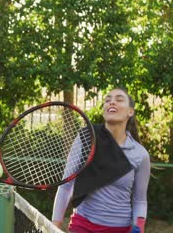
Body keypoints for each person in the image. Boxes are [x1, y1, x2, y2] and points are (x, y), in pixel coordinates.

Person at [52, 88, 151, 233]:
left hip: (119, 229)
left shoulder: (140, 155)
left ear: (130, 111)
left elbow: (139, 200)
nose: (112, 102)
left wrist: (139, 227)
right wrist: (54, 225)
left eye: (119, 99)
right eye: (108, 100)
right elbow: (66, 186)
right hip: (82, 224)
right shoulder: (86, 138)